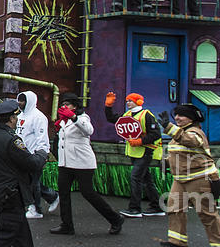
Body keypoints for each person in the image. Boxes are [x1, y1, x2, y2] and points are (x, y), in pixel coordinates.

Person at [50, 93, 124, 236]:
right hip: (65, 163)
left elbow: (89, 130)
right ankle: (67, 225)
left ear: (75, 106)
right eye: (62, 104)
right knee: (64, 193)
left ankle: (115, 219)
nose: (64, 107)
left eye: (68, 104)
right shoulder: (63, 121)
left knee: (88, 193)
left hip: (82, 163)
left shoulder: (83, 118)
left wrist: (74, 117)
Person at [157, 105, 220, 247]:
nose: (177, 118)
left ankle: (219, 244)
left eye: (181, 115)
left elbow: (190, 141)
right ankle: (177, 242)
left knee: (207, 215)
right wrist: (166, 162)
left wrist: (168, 127)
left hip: (199, 179)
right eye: (176, 115)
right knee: (174, 209)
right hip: (181, 179)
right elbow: (180, 152)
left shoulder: (195, 132)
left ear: (191, 118)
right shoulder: (180, 133)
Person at [0, 99, 47, 247]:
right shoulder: (11, 140)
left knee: (22, 235)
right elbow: (31, 163)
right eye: (15, 117)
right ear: (11, 119)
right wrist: (42, 154)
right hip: (9, 194)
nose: (17, 120)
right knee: (8, 232)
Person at [104, 91, 165, 217]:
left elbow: (156, 134)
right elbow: (112, 119)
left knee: (135, 177)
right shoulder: (128, 114)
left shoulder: (146, 115)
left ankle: (135, 208)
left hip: (145, 151)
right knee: (146, 179)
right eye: (127, 101)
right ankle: (156, 206)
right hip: (134, 151)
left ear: (138, 102)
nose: (128, 103)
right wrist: (108, 107)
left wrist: (140, 141)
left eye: (130, 101)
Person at [16, 91, 59, 219]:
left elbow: (42, 137)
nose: (20, 103)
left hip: (35, 154)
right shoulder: (20, 116)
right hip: (22, 154)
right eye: (19, 100)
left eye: (23, 101)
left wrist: (42, 153)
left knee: (33, 183)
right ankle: (53, 196)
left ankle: (36, 209)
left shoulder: (38, 117)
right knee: (29, 181)